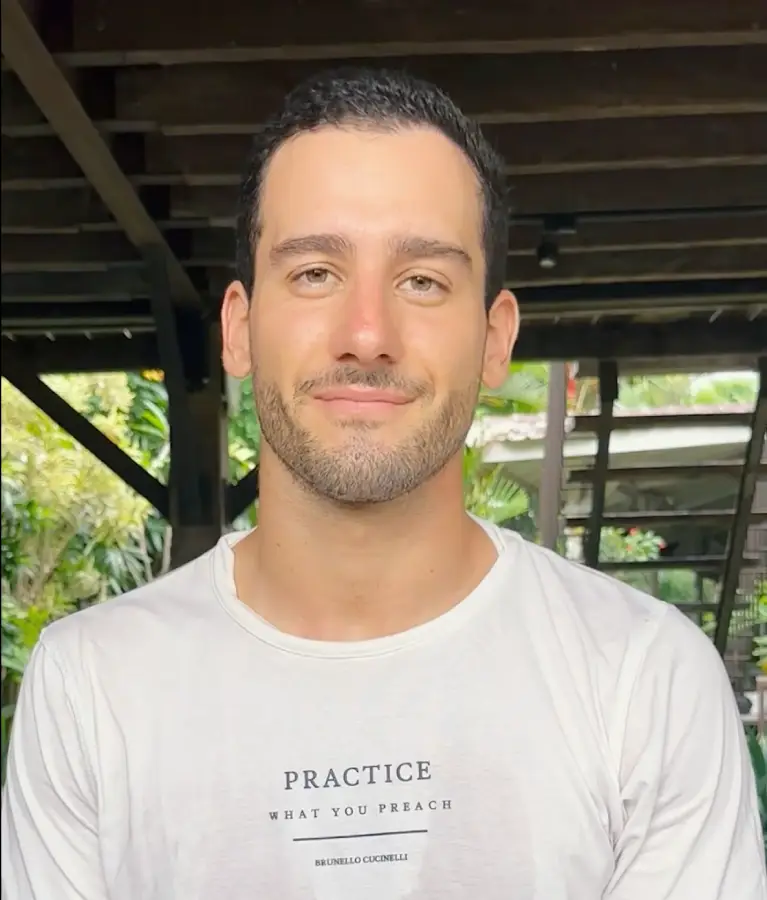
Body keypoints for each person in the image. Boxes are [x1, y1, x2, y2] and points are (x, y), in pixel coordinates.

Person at [1, 68, 764, 900]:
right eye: (314, 274)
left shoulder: (644, 679)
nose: (366, 334)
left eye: (422, 281)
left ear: (493, 337)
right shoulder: (92, 682)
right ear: (239, 328)